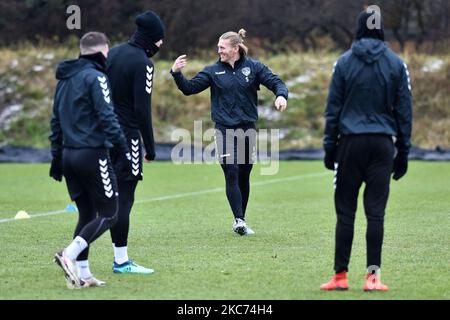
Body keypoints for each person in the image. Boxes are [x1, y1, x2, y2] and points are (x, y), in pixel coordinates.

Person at [320, 9, 412, 292]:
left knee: (345, 212)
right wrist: (404, 151)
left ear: (358, 29)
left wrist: (329, 147)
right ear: (382, 30)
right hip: (382, 144)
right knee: (376, 213)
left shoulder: (344, 63)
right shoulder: (397, 64)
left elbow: (333, 108)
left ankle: (340, 276)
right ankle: (372, 277)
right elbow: (404, 111)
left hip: (350, 142)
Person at [170, 29, 288, 236]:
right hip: (224, 130)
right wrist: (177, 74)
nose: (219, 51)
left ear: (235, 48)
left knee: (244, 174)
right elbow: (189, 88)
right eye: (218, 47)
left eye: (222, 47)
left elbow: (276, 82)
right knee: (231, 171)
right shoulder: (213, 71)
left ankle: (242, 217)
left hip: (247, 129)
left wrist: (281, 96)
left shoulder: (254, 67)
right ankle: (239, 221)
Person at [49, 32, 132, 288]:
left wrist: (56, 157)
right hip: (92, 153)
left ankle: (83, 276)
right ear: (102, 52)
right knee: (110, 214)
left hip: (68, 155)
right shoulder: (97, 77)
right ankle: (69, 255)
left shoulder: (64, 79)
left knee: (86, 214)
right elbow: (107, 116)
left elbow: (55, 122)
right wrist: (122, 148)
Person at [106, 10, 165, 274]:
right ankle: (121, 261)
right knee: (124, 200)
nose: (161, 45)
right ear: (152, 38)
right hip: (126, 137)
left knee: (106, 197)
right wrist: (150, 148)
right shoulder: (144, 63)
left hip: (102, 135)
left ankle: (81, 255)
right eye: (160, 40)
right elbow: (142, 110)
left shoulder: (112, 53)